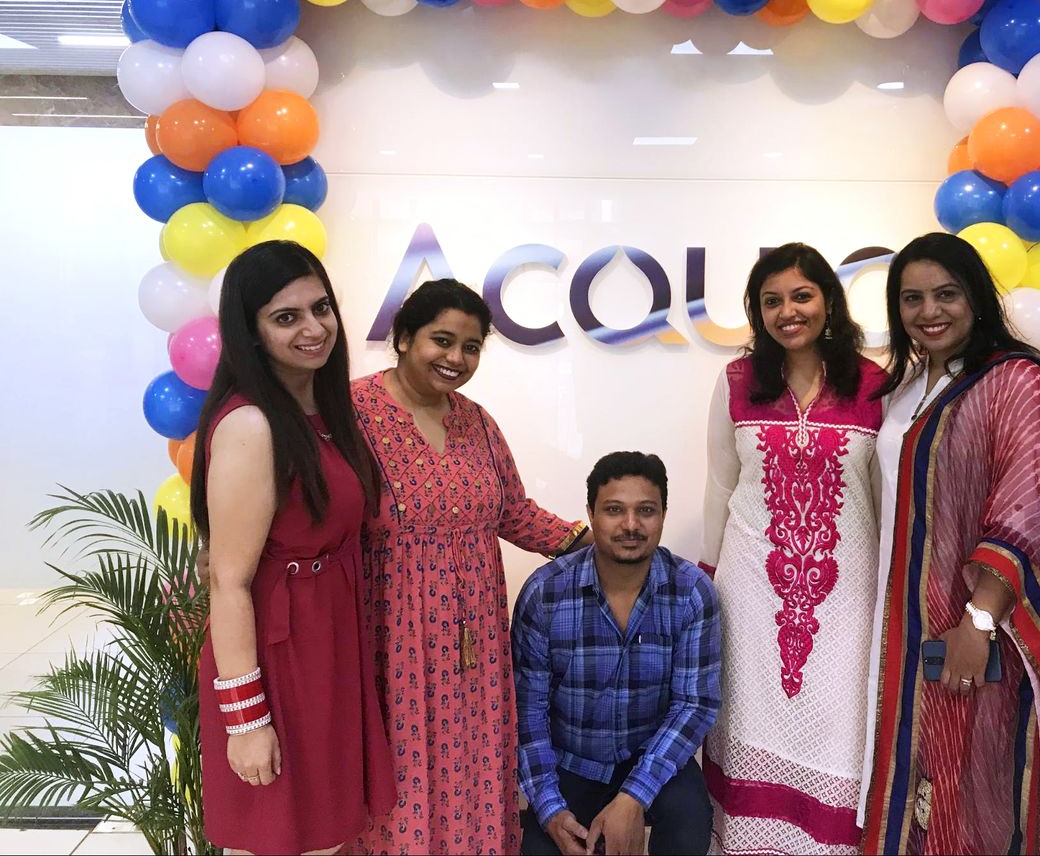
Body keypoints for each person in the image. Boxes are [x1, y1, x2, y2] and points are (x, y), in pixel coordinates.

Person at [860, 233, 1040, 855]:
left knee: (970, 776)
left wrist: (977, 623)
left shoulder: (1016, 380)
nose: (929, 311)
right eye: (912, 298)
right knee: (913, 772)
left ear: (977, 297)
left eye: (946, 294)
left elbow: (1028, 507)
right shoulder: (908, 386)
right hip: (898, 618)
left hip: (974, 625)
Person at [350, 279, 590, 856]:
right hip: (390, 643)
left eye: (472, 347)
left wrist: (593, 542)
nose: (456, 358)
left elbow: (513, 512)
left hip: (475, 647)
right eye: (442, 340)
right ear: (403, 337)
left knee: (472, 767)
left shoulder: (477, 422)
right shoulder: (352, 412)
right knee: (402, 776)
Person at [191, 241, 394, 855]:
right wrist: (246, 719)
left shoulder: (324, 409)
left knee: (323, 837)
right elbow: (228, 580)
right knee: (277, 838)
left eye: (320, 307)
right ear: (250, 333)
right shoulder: (252, 424)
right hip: (279, 655)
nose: (314, 328)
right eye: (286, 317)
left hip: (327, 641)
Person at [702, 242, 885, 855]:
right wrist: (707, 580)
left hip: (846, 596)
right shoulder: (736, 382)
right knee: (748, 717)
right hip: (750, 592)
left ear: (828, 300)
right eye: (771, 301)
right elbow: (720, 486)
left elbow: (882, 498)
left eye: (801, 296)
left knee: (840, 727)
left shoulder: (875, 386)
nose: (788, 312)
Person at [514, 452, 721, 856]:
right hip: (571, 761)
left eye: (646, 510)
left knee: (690, 821)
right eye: (614, 510)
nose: (630, 525)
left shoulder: (691, 591)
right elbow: (528, 713)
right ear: (590, 514)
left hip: (650, 756)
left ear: (663, 515)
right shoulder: (545, 593)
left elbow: (694, 704)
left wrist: (633, 797)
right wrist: (551, 810)